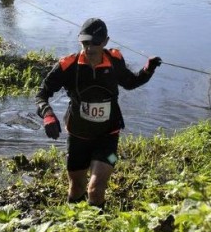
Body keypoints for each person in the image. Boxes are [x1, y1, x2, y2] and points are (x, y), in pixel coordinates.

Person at [35, 18, 162, 210]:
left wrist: (148, 69)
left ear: (105, 41)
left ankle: (98, 229)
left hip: (108, 136)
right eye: (85, 42)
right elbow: (41, 94)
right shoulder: (68, 66)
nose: (90, 47)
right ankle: (73, 229)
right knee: (76, 188)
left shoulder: (114, 60)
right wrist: (47, 114)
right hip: (78, 136)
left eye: (96, 42)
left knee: (95, 189)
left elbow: (130, 82)